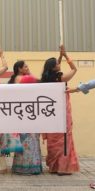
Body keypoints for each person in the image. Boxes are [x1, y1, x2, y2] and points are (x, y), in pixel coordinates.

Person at [41, 45, 79, 175]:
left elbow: (56, 68)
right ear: (53, 67)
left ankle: (54, 166)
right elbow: (74, 69)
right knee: (64, 138)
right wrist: (67, 55)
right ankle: (63, 167)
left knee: (53, 138)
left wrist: (61, 56)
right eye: (57, 63)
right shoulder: (60, 78)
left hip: (51, 112)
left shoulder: (46, 78)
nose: (59, 64)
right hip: (62, 112)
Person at [8, 61, 42, 175]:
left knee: (25, 139)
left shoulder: (16, 79)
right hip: (27, 112)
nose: (28, 68)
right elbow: (39, 81)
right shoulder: (25, 78)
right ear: (19, 68)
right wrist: (29, 73)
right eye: (25, 66)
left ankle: (20, 166)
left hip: (22, 111)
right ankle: (29, 166)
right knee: (30, 139)